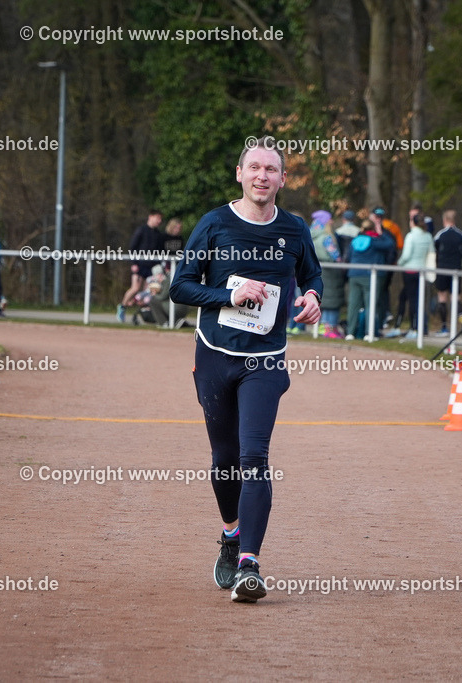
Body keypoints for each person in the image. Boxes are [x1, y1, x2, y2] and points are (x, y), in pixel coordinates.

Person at [169, 137, 322, 603]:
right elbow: (181, 287)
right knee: (225, 460)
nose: (262, 176)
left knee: (254, 456)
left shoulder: (294, 229)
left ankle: (250, 565)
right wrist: (227, 297)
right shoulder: (215, 224)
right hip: (215, 354)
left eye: (271, 170)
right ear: (240, 174)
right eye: (254, 168)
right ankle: (231, 535)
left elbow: (312, 273)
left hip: (265, 359)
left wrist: (313, 297)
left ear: (282, 179)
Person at [344, 218, 396, 340]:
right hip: (370, 276)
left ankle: (350, 333)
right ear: (372, 229)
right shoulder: (374, 241)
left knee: (353, 305)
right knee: (370, 305)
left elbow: (348, 256)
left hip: (354, 275)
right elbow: (390, 244)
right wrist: (381, 232)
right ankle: (369, 333)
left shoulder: (354, 241)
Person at [119, 209, 164, 322]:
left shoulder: (158, 234)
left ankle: (140, 316)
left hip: (151, 268)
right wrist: (134, 263)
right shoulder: (141, 230)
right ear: (151, 217)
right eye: (158, 218)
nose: (159, 221)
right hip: (140, 266)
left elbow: (159, 252)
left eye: (160, 219)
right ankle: (122, 307)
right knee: (135, 288)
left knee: (147, 294)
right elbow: (133, 247)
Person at [394, 212, 434, 339]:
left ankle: (414, 328)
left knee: (412, 300)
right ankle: (403, 325)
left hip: (410, 271)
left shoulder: (411, 236)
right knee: (408, 297)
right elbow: (432, 252)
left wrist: (398, 263)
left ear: (413, 222)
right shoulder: (427, 236)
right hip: (421, 271)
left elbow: (406, 255)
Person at [432, 209, 462, 336]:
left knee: (442, 297)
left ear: (444, 220)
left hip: (442, 269)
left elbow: (435, 247)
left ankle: (444, 327)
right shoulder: (461, 235)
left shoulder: (440, 235)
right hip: (456, 270)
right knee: (456, 297)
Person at [310, 210, 344, 338]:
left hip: (317, 269)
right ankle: (330, 327)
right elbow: (336, 256)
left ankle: (323, 326)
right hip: (331, 272)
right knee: (332, 300)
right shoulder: (327, 237)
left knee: (323, 299)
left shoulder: (311, 235)